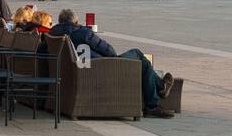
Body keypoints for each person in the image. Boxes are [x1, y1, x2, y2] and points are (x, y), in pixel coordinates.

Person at [47, 9, 176, 117]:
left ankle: (161, 86)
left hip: (76, 70)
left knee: (142, 62)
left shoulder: (52, 33)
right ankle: (154, 100)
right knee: (138, 55)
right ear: (75, 21)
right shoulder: (83, 33)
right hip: (101, 67)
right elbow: (110, 51)